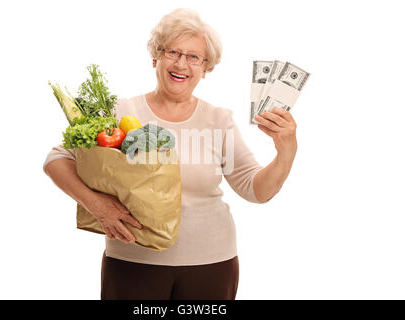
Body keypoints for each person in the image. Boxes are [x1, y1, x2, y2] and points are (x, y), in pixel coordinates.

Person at [43, 8, 297, 300]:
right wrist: (96, 205)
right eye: (172, 52)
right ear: (156, 57)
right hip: (132, 262)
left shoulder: (218, 120)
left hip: (212, 264)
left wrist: (286, 151)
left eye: (193, 57)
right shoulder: (120, 113)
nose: (181, 64)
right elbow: (56, 160)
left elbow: (255, 190)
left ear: (206, 67)